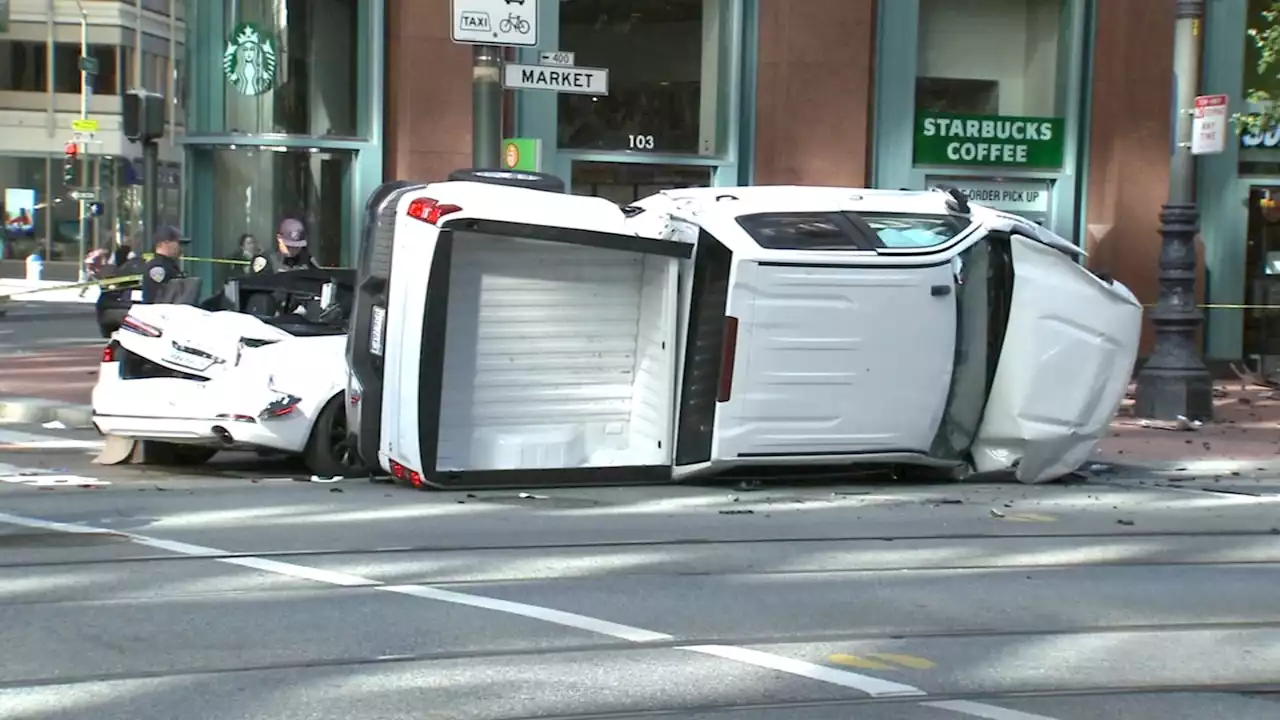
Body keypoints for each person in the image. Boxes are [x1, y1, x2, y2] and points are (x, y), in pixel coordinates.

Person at [140, 225, 188, 304]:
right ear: (166, 243)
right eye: (179, 243)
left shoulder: (168, 264)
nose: (181, 248)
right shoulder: (158, 267)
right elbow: (157, 297)